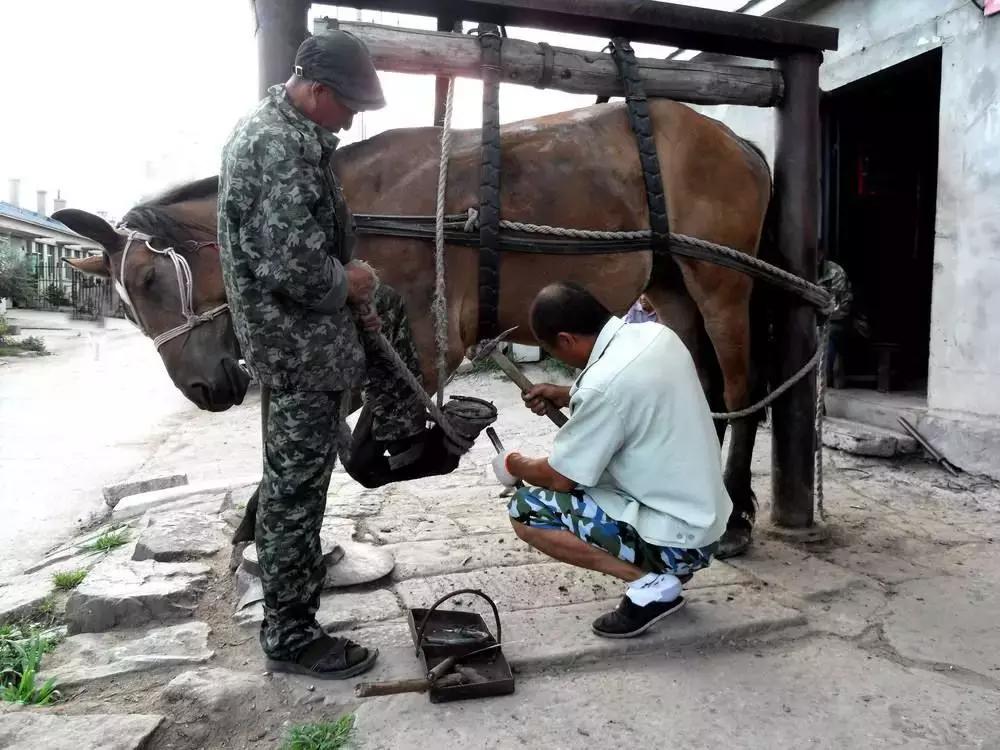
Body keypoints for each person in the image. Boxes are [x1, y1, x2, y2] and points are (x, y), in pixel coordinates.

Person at [218, 32, 472, 680]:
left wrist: (356, 283)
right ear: (319, 91)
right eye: (351, 106)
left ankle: (400, 436)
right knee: (296, 493)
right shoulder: (275, 145)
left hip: (308, 334)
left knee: (382, 301)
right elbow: (290, 264)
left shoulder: (295, 134)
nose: (353, 120)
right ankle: (291, 633)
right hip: (297, 346)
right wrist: (344, 281)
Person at [492, 282, 732, 638]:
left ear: (567, 339)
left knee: (526, 509)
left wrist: (513, 463)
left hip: (679, 541)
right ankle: (664, 574)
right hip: (708, 524)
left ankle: (652, 586)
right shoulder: (657, 335)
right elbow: (629, 391)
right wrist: (567, 394)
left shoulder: (601, 388)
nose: (559, 358)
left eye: (554, 351)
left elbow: (560, 477)